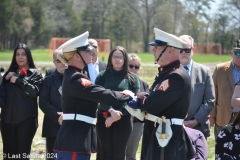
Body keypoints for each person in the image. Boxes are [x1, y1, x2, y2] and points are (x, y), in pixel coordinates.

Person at [53, 31, 133, 160]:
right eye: (87, 51)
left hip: (78, 138)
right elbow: (101, 94)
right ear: (77, 56)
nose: (92, 53)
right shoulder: (76, 78)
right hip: (75, 140)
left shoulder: (75, 74)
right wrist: (126, 95)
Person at [126, 28, 195, 160]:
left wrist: (137, 100)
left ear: (169, 50)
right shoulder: (166, 73)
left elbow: (153, 104)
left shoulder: (175, 76)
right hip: (158, 135)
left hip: (167, 139)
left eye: (157, 47)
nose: (153, 50)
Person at [95, 47, 140, 160]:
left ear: (125, 59)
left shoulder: (133, 78)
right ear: (110, 58)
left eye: (120, 57)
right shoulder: (102, 76)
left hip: (124, 119)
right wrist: (110, 111)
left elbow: (133, 100)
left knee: (119, 154)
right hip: (104, 118)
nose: (117, 59)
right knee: (104, 152)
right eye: (115, 57)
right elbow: (98, 95)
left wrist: (117, 115)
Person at [0, 43, 42, 159]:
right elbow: (2, 98)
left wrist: (18, 80)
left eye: (23, 54)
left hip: (26, 121)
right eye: (17, 54)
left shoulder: (35, 74)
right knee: (8, 155)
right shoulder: (8, 75)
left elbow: (34, 92)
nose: (20, 57)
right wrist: (3, 81)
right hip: (7, 121)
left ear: (28, 56)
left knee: (22, 155)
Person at [179, 35, 215, 139]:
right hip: (174, 128)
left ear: (193, 50)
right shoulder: (169, 72)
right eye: (180, 50)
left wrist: (195, 121)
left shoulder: (205, 72)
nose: (184, 53)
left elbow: (210, 100)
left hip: (199, 128)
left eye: (187, 50)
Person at [210, 39, 240, 140]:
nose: (239, 56)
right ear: (231, 53)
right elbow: (212, 93)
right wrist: (212, 116)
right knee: (221, 150)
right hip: (223, 117)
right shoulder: (220, 69)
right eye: (237, 52)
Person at [39, 49, 66, 160]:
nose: (62, 63)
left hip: (72, 127)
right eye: (58, 61)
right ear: (54, 63)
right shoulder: (48, 80)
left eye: (64, 59)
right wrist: (58, 116)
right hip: (53, 126)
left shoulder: (77, 78)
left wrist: (68, 116)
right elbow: (43, 102)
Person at [125, 53, 149, 160]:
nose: (133, 69)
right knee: (118, 153)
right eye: (131, 66)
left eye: (136, 66)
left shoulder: (144, 84)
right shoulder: (120, 82)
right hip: (121, 120)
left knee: (131, 154)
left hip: (137, 123)